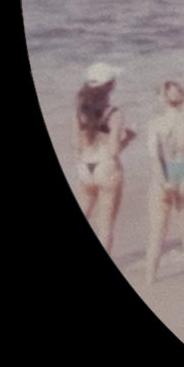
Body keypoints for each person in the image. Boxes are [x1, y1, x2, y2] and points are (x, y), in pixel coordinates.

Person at [145, 81, 184, 284]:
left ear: (162, 98)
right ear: (182, 97)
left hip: (164, 173)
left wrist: (164, 183)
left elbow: (154, 158)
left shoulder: (155, 124)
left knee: (157, 235)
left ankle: (150, 280)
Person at [73, 62, 135, 254]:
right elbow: (114, 150)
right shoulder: (114, 113)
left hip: (85, 166)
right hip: (106, 166)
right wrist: (128, 138)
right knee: (105, 225)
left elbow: (76, 144)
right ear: (109, 86)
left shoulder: (80, 111)